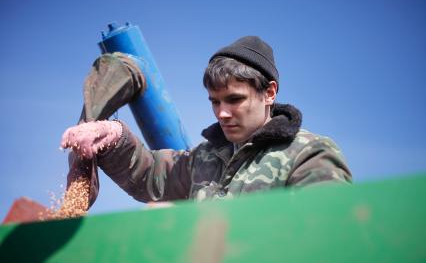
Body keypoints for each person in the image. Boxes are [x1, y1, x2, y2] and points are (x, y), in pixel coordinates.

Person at [61, 36, 351, 205]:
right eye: (215, 101)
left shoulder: (308, 155)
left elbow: (327, 236)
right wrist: (112, 135)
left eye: (235, 100)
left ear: (269, 93)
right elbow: (150, 175)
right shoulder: (204, 159)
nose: (222, 113)